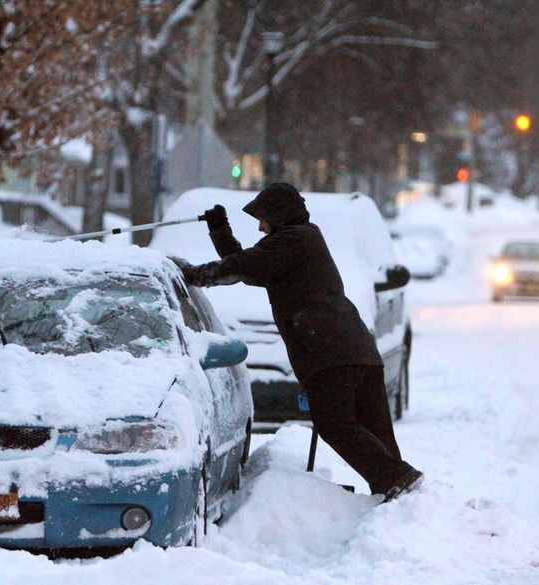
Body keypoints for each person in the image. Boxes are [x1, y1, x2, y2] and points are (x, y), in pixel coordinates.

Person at [172, 183, 423, 503]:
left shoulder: (295, 239)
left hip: (329, 351)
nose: (260, 227)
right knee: (374, 429)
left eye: (263, 219)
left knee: (333, 423)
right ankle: (397, 496)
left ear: (278, 216)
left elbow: (241, 267)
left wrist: (192, 274)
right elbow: (248, 267)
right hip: (356, 348)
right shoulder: (298, 243)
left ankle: (397, 478)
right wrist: (220, 230)